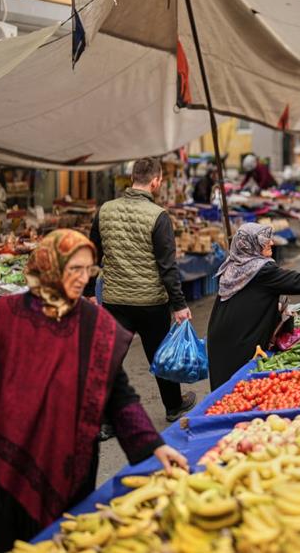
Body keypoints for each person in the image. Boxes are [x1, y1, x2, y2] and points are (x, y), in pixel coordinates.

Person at [0, 230, 188, 552]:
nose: (83, 279)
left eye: (89, 270)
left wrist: (153, 445)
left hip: (65, 463)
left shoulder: (95, 324)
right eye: (75, 269)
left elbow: (119, 396)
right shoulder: (6, 315)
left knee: (56, 542)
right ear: (49, 265)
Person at [89, 158, 196, 423]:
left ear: (132, 177)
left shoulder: (105, 210)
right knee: (161, 354)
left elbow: (90, 255)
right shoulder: (158, 216)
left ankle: (104, 422)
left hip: (114, 300)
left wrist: (89, 293)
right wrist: (179, 305)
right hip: (151, 303)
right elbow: (167, 267)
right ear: (156, 181)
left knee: (110, 361)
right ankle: (173, 407)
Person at [207, 223, 300, 389]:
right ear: (250, 244)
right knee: (235, 387)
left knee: (224, 385)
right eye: (265, 240)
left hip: (221, 333)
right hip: (240, 338)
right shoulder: (261, 270)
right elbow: (298, 281)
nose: (271, 243)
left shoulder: (234, 264)